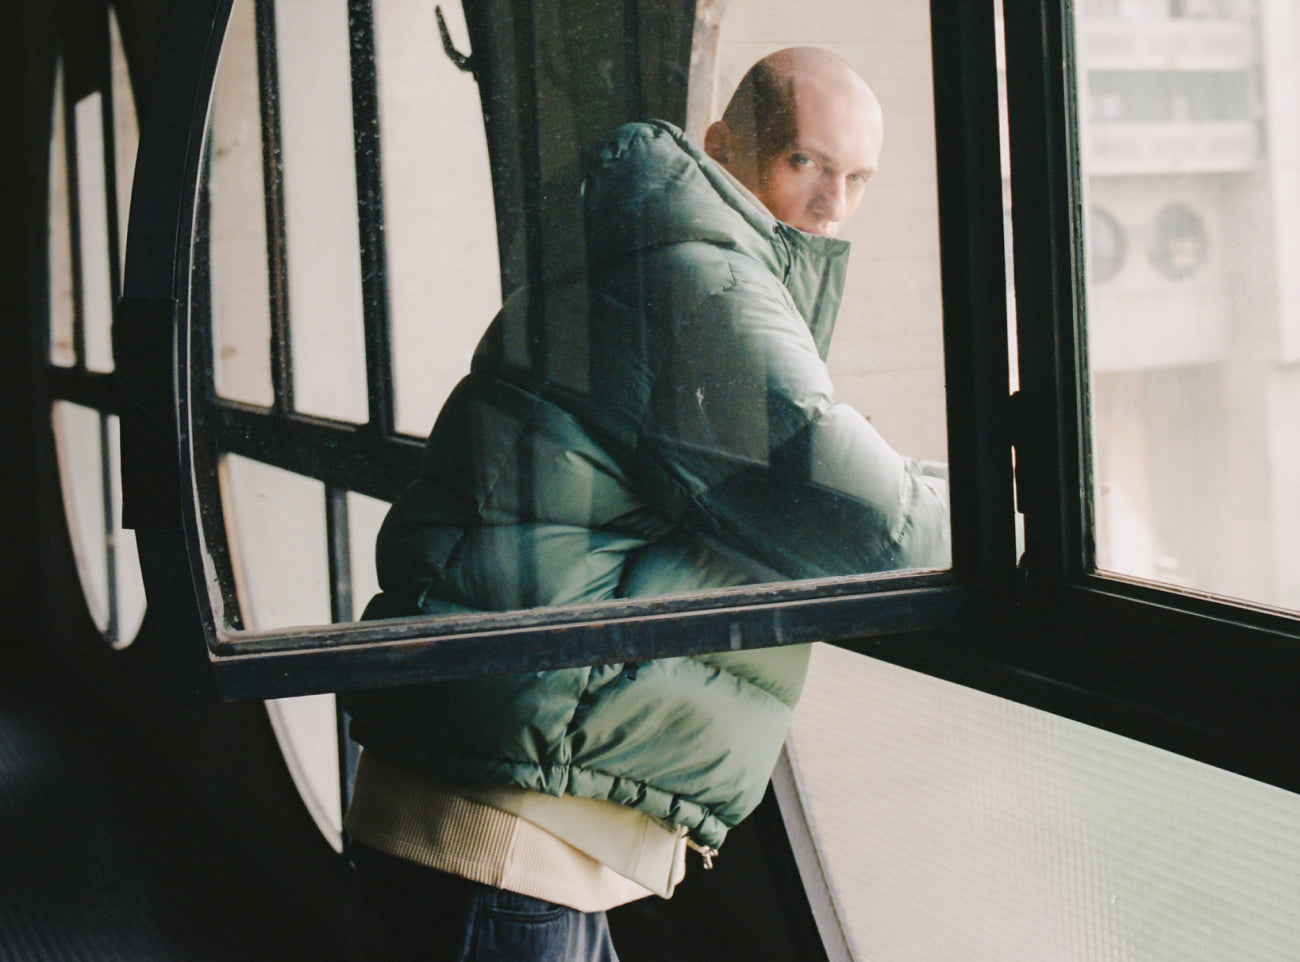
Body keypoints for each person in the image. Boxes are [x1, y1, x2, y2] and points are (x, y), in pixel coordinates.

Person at [342, 46, 949, 961]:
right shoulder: (696, 276)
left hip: (501, 791)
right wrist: (1017, 510)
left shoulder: (650, 238)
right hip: (509, 833)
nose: (833, 206)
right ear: (724, 145)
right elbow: (871, 526)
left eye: (857, 178)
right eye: (806, 164)